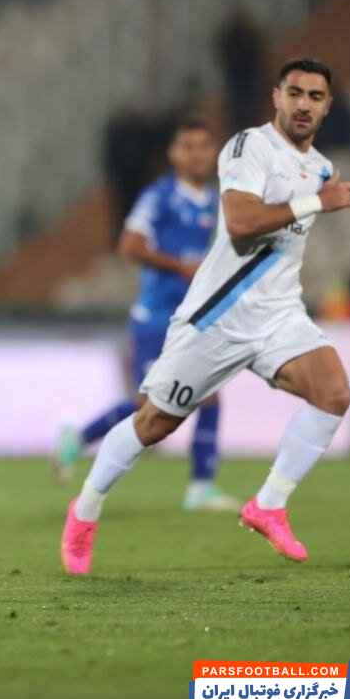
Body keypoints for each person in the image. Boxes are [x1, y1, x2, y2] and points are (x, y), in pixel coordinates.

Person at [61, 58, 350, 575]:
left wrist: (320, 195)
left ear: (327, 107)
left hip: (277, 314)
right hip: (217, 317)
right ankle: (85, 510)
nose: (303, 105)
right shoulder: (248, 147)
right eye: (294, 93)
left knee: (334, 393)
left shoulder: (320, 169)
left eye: (315, 97)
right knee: (154, 422)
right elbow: (241, 223)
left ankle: (268, 505)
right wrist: (317, 202)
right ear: (276, 97)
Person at [54, 119, 240, 512]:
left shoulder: (215, 199)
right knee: (149, 404)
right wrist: (180, 266)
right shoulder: (160, 197)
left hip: (193, 317)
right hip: (156, 317)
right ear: (173, 154)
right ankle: (80, 439)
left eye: (204, 146)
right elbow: (130, 245)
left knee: (209, 396)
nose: (197, 154)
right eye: (188, 146)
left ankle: (201, 488)